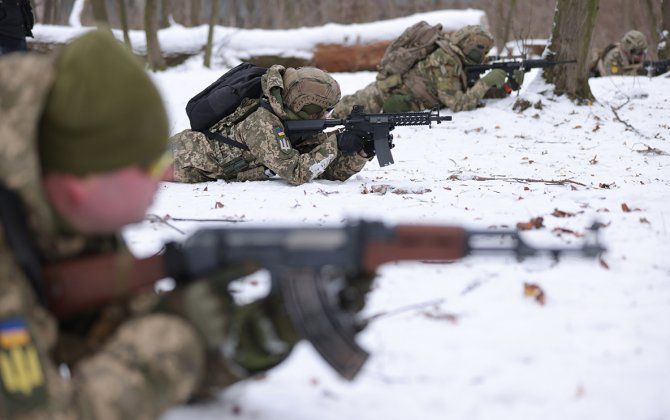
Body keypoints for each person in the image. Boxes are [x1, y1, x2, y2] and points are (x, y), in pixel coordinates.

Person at [0, 30, 301, 418]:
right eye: (148, 165)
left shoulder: (61, 214)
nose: (166, 175)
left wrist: (256, 335)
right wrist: (173, 342)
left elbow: (117, 338)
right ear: (82, 184)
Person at [170, 65, 371, 185]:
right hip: (178, 159)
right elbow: (298, 173)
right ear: (305, 107)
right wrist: (336, 142)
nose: (328, 115)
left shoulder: (289, 118)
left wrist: (358, 153)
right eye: (325, 110)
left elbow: (322, 170)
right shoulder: (263, 123)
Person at [331, 24, 521, 118]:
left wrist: (505, 87)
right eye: (483, 50)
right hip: (379, 99)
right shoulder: (445, 61)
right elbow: (458, 103)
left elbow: (469, 93)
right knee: (335, 117)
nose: (485, 55)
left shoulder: (456, 59)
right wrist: (487, 81)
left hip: (390, 98)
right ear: (471, 47)